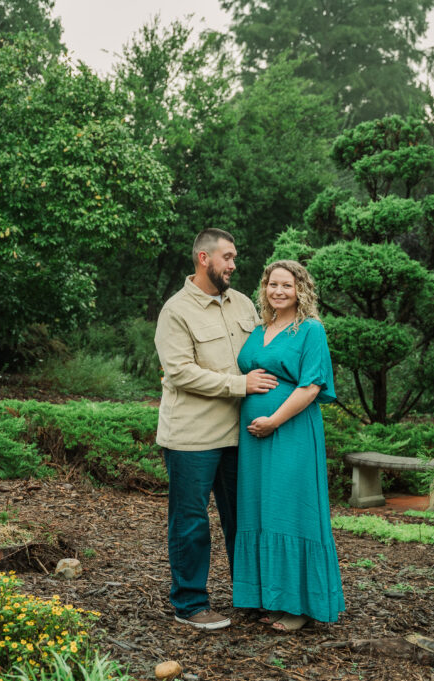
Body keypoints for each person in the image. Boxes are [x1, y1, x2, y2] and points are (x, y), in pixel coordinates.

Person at [154, 228, 277, 630]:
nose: (234, 265)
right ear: (204, 259)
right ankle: (190, 604)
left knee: (243, 519)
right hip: (192, 437)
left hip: (241, 435)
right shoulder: (176, 311)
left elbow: (266, 351)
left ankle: (250, 596)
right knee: (191, 522)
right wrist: (238, 385)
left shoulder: (242, 304)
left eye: (235, 257)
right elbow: (181, 372)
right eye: (227, 257)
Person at [232, 259, 345, 631]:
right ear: (264, 288)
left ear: (301, 291)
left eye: (287, 286)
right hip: (254, 441)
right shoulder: (260, 328)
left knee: (289, 510)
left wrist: (274, 421)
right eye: (272, 284)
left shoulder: (310, 330)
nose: (279, 291)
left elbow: (311, 386)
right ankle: (268, 596)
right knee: (259, 510)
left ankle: (297, 607)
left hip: (289, 432)